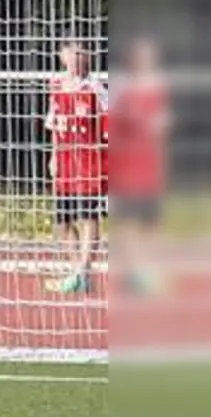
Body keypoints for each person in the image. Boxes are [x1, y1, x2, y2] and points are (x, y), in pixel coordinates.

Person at [44, 37, 108, 294]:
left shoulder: (95, 87)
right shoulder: (56, 84)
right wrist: (53, 155)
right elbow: (53, 121)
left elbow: (110, 121)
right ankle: (76, 272)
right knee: (63, 220)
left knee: (88, 215)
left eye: (83, 52)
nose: (78, 57)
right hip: (65, 160)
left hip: (90, 161)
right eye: (72, 52)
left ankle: (84, 269)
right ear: (62, 56)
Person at [107, 38, 168, 294]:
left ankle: (147, 267)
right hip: (128, 164)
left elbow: (161, 124)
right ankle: (134, 271)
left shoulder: (157, 86)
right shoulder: (121, 88)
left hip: (149, 163)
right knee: (130, 219)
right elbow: (113, 124)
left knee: (150, 220)